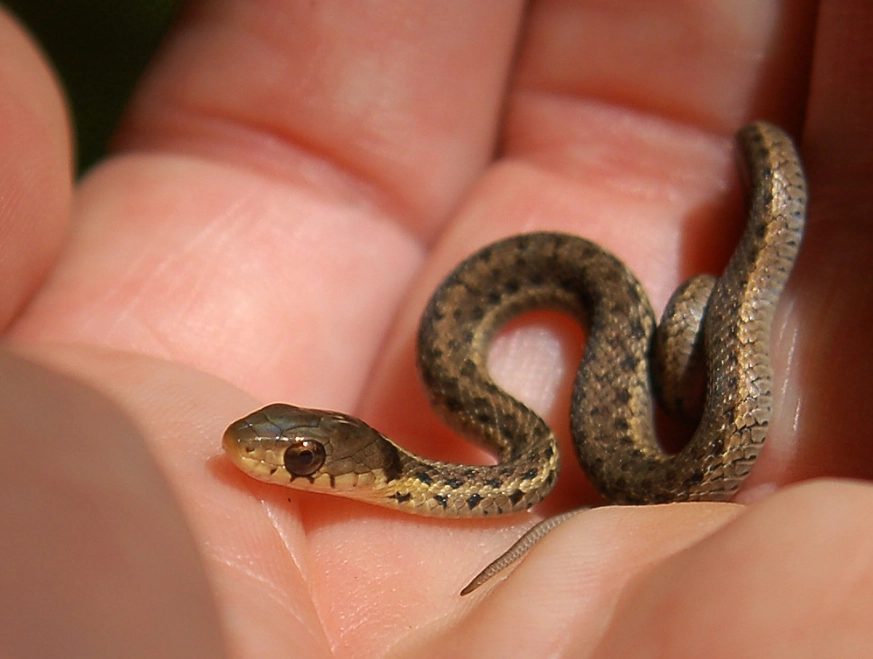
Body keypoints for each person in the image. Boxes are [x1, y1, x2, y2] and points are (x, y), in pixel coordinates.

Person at [1, 2, 870, 656]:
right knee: (686, 323)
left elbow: (538, 469)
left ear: (356, 463)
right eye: (297, 450)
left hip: (655, 397)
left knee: (696, 311)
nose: (278, 461)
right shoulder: (501, 445)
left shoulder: (528, 455)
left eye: (302, 458)